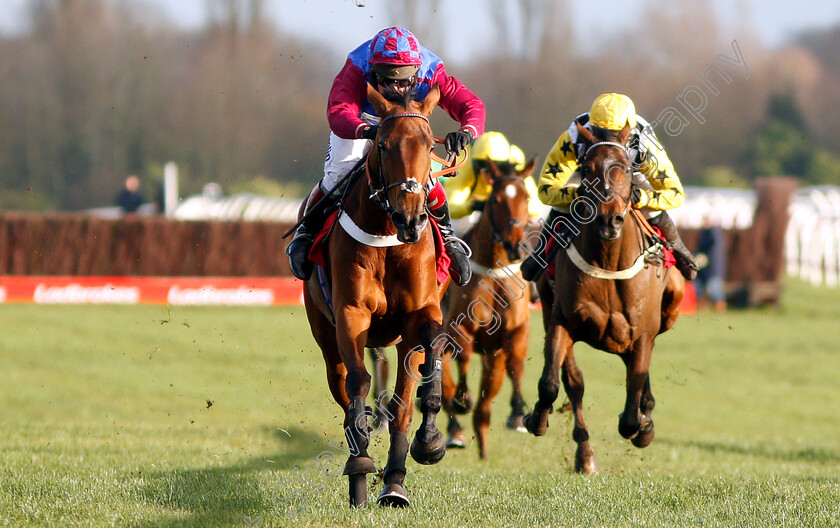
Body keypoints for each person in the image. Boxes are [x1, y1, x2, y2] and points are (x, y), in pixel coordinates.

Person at [285, 26, 485, 286]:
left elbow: (471, 105)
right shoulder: (357, 66)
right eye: (387, 80)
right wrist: (370, 131)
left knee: (423, 179)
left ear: (415, 72)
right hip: (362, 123)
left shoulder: (432, 69)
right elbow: (339, 111)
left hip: (406, 126)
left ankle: (448, 238)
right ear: (373, 68)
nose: (396, 87)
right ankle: (306, 232)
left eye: (403, 81)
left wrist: (466, 132)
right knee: (339, 172)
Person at [520, 92, 699, 281]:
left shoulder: (645, 143)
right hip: (589, 173)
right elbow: (546, 189)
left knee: (652, 210)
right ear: (592, 126)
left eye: (615, 135)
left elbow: (675, 194)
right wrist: (576, 193)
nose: (608, 140)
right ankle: (540, 255)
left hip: (631, 174)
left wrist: (643, 198)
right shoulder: (573, 137)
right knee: (562, 205)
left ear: (628, 130)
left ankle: (679, 248)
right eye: (600, 134)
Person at [443, 131, 543, 221]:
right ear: (476, 166)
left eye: (498, 171)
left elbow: (537, 206)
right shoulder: (464, 165)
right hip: (472, 216)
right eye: (486, 170)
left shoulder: (515, 163)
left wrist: (513, 206)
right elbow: (449, 207)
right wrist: (473, 206)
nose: (492, 177)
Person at [695, 217, 727, 310]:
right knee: (701, 289)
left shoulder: (713, 234)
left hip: (713, 269)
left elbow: (711, 250)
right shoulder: (705, 234)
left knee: (714, 289)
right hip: (706, 269)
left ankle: (721, 307)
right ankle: (703, 307)